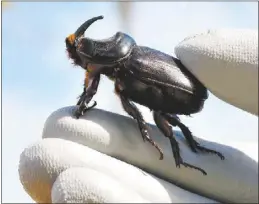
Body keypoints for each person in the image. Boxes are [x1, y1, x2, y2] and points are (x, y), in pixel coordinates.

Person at [19, 29, 258, 203]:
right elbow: (92, 82)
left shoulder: (130, 65)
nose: (86, 67)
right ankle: (184, 155)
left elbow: (95, 86)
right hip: (176, 95)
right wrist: (82, 102)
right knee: (162, 121)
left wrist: (84, 103)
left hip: (185, 94)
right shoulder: (116, 68)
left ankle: (186, 154)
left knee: (162, 121)